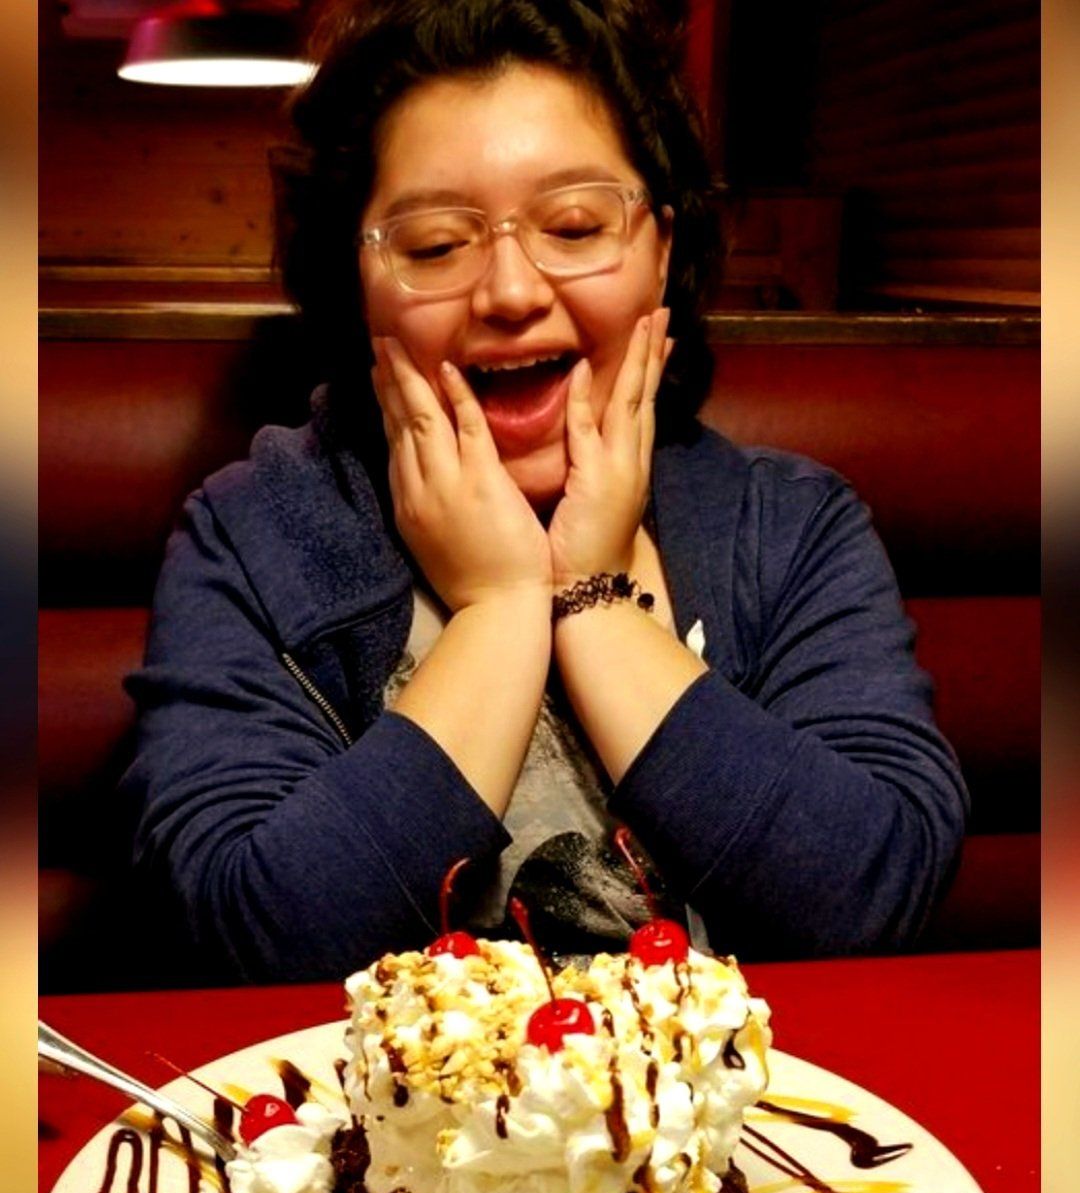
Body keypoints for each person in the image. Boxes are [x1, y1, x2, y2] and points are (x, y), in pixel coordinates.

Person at [123, 0, 967, 983]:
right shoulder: (255, 532)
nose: (512, 290)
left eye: (575, 224)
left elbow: (876, 891)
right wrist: (498, 609)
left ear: (664, 244)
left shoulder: (788, 526)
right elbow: (247, 932)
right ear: (355, 281)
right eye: (436, 244)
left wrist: (591, 599)